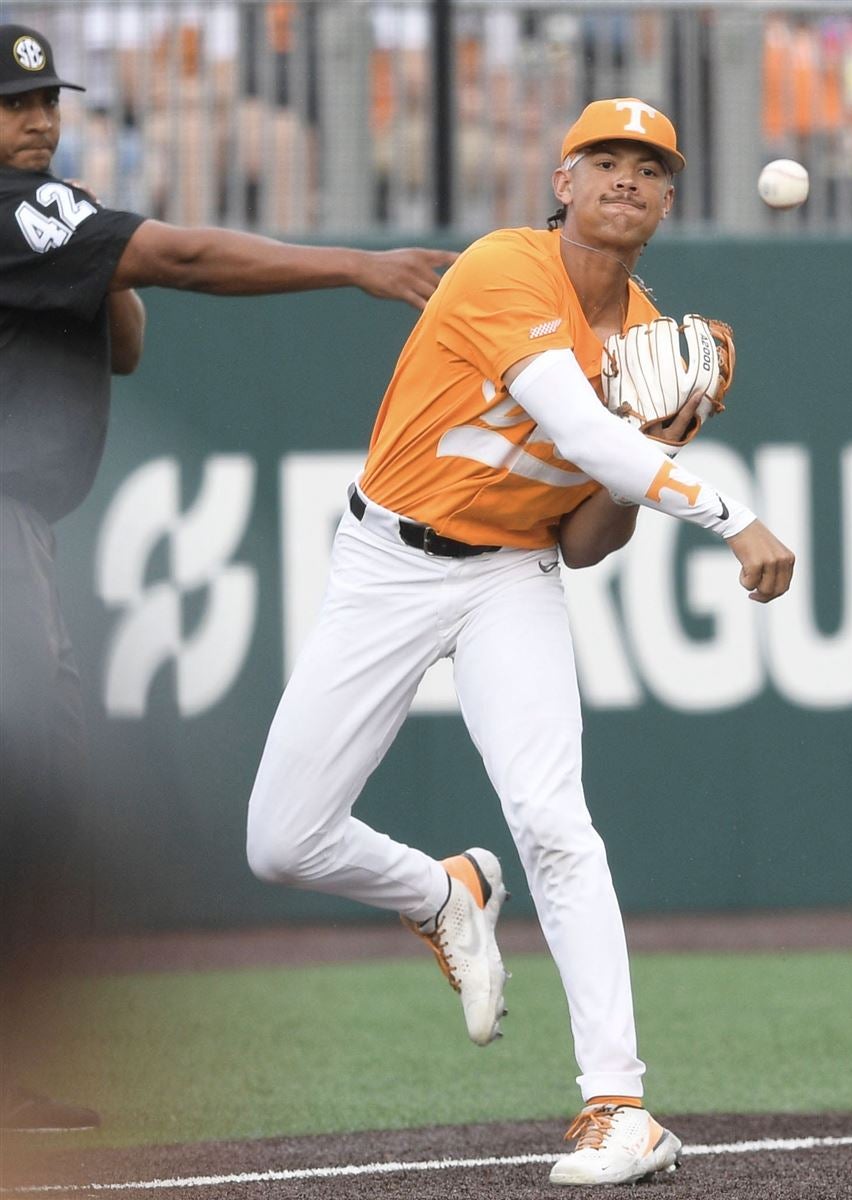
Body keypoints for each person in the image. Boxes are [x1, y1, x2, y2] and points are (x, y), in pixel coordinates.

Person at [246, 95, 795, 1187]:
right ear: (563, 183)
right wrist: (730, 515)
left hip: (511, 577)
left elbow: (589, 539)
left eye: (649, 166)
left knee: (553, 821)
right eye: (603, 160)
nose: (625, 179)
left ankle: (620, 1106)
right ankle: (441, 891)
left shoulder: (644, 339)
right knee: (282, 841)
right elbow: (580, 426)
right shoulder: (503, 267)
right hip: (387, 563)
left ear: (670, 198)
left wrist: (651, 444)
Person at [0, 22, 456, 1135]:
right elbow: (184, 264)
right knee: (30, 789)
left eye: (46, 100)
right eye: (13, 107)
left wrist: (101, 257)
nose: (38, 120)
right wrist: (358, 263)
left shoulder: (40, 223)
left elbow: (127, 343)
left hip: (26, 527)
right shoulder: (14, 209)